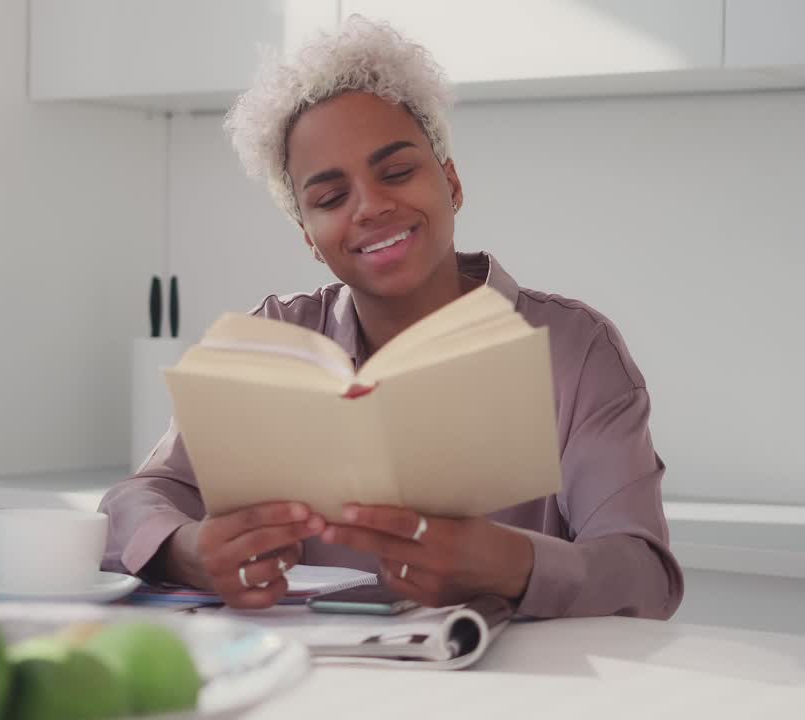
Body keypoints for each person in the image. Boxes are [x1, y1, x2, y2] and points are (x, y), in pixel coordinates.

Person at [99, 16, 684, 618]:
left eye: (398, 172)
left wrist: (515, 564)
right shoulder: (273, 342)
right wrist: (185, 548)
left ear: (451, 182)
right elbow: (137, 499)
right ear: (308, 235)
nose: (372, 206)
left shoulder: (574, 350)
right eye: (330, 198)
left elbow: (645, 577)